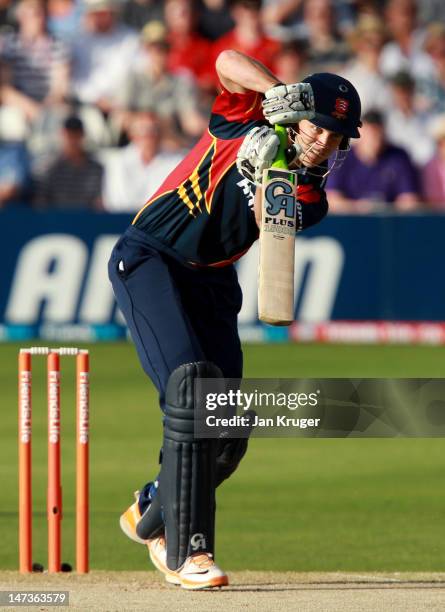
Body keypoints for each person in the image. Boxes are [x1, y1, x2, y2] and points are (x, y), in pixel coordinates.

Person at [109, 49, 361, 589]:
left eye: (336, 136)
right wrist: (277, 93)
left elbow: (267, 210)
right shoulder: (241, 116)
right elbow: (226, 60)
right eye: (319, 127)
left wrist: (267, 167)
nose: (324, 141)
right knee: (192, 387)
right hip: (152, 258)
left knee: (228, 430)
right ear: (299, 115)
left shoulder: (309, 198)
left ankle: (152, 510)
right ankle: (187, 553)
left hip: (213, 283)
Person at [327, 109, 419, 212]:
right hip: (350, 223)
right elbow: (332, 198)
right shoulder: (341, 157)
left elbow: (409, 199)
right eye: (369, 131)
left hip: (389, 224)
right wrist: (360, 209)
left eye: (377, 131)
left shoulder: (398, 157)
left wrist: (385, 211)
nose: (373, 137)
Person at [102, 111, 183, 212]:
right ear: (132, 134)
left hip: (161, 222)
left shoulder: (176, 161)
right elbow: (116, 202)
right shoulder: (117, 162)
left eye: (154, 130)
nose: (149, 135)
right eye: (143, 130)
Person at [35, 115, 103, 210]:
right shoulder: (50, 168)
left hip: (87, 222)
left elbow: (98, 203)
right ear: (62, 135)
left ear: (82, 135)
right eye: (69, 135)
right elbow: (41, 204)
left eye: (76, 135)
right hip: (56, 221)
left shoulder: (96, 169)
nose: (72, 141)